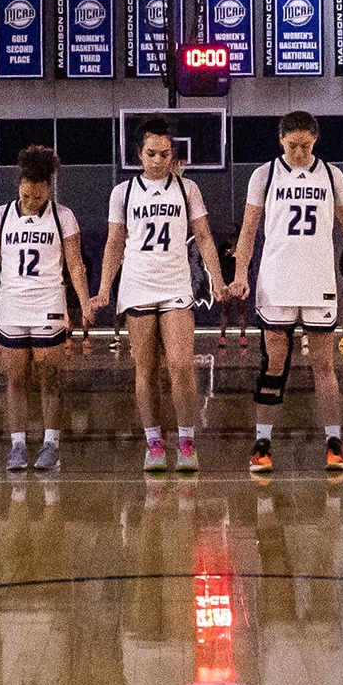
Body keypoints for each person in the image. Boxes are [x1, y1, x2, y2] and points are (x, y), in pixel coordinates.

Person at [228, 110, 343, 473]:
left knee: (324, 365)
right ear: (280, 140)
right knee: (274, 365)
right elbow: (249, 230)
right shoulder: (264, 175)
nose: (299, 152)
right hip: (277, 280)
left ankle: (334, 444)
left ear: (315, 140)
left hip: (318, 280)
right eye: (292, 145)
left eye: (305, 145)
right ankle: (262, 444)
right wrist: (241, 274)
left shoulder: (332, 175)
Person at [88, 116, 227, 471]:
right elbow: (114, 243)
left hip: (176, 284)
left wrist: (218, 280)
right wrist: (104, 288)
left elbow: (205, 237)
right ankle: (153, 443)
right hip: (137, 285)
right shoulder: (123, 192)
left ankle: (186, 440)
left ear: (173, 155)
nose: (158, 160)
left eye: (165, 153)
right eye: (151, 153)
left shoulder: (187, 189)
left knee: (181, 365)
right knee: (146, 369)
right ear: (139, 154)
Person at [0, 145, 91, 470]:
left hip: (49, 301)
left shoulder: (64, 217)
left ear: (49, 187)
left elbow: (75, 265)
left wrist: (85, 302)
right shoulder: (0, 216)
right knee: (14, 378)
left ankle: (51, 443)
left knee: (50, 377)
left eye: (38, 196)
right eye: (27, 194)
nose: (32, 202)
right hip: (12, 304)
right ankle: (17, 444)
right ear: (19, 183)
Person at [214, 225, 248, 352]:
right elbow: (218, 263)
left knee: (241, 310)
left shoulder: (242, 247)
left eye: (234, 235)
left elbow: (247, 263)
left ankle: (243, 335)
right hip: (227, 282)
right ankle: (222, 336)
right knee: (225, 309)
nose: (232, 237)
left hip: (238, 282)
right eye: (230, 235)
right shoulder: (223, 247)